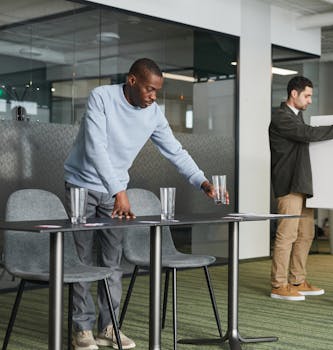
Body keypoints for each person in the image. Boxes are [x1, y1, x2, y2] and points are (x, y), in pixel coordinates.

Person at [64, 58, 222, 350]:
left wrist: (202, 181)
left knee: (112, 262)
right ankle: (81, 330)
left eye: (157, 91)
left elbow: (175, 150)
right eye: (150, 89)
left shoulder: (153, 113)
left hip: (115, 193)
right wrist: (119, 191)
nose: (153, 96)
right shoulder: (102, 97)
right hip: (82, 186)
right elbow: (95, 148)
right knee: (82, 262)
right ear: (132, 81)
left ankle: (108, 326)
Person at [269, 76, 333, 301]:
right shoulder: (281, 117)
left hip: (302, 185)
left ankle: (297, 280)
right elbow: (308, 134)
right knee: (287, 235)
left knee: (306, 234)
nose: (310, 100)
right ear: (294, 94)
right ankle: (278, 285)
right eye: (307, 95)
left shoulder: (297, 117)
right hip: (288, 185)